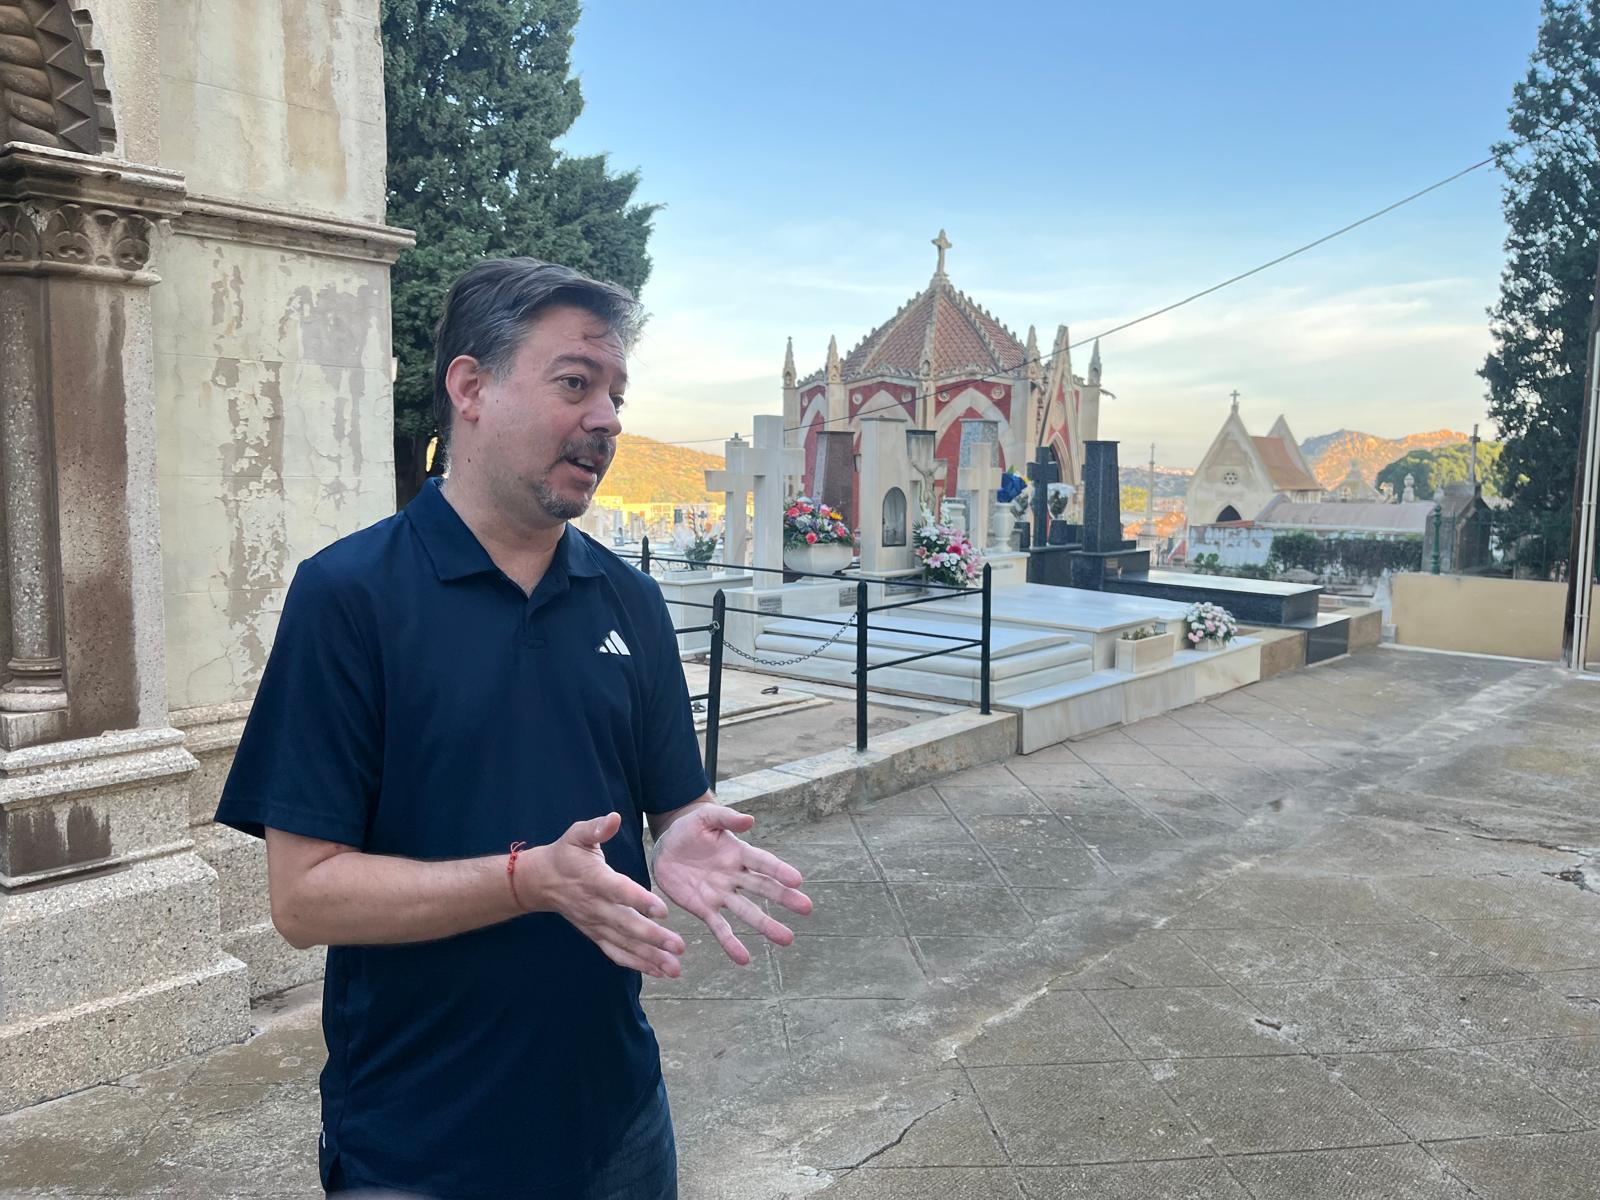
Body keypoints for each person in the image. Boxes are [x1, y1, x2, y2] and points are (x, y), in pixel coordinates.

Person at [215, 258, 813, 1199]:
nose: (608, 419)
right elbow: (305, 900)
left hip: (620, 1124)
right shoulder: (350, 597)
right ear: (471, 388)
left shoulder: (631, 601)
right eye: (575, 382)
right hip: (419, 1146)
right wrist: (526, 881)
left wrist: (686, 830)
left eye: (615, 394)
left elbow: (675, 804)